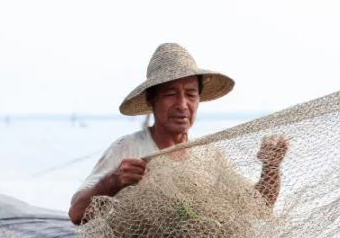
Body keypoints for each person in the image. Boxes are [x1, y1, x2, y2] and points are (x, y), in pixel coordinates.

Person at [68, 43, 288, 224]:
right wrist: (113, 181)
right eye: (171, 94)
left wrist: (271, 166)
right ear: (150, 100)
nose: (182, 105)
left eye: (190, 94)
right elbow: (77, 214)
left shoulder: (209, 155)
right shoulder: (129, 149)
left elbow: (259, 206)